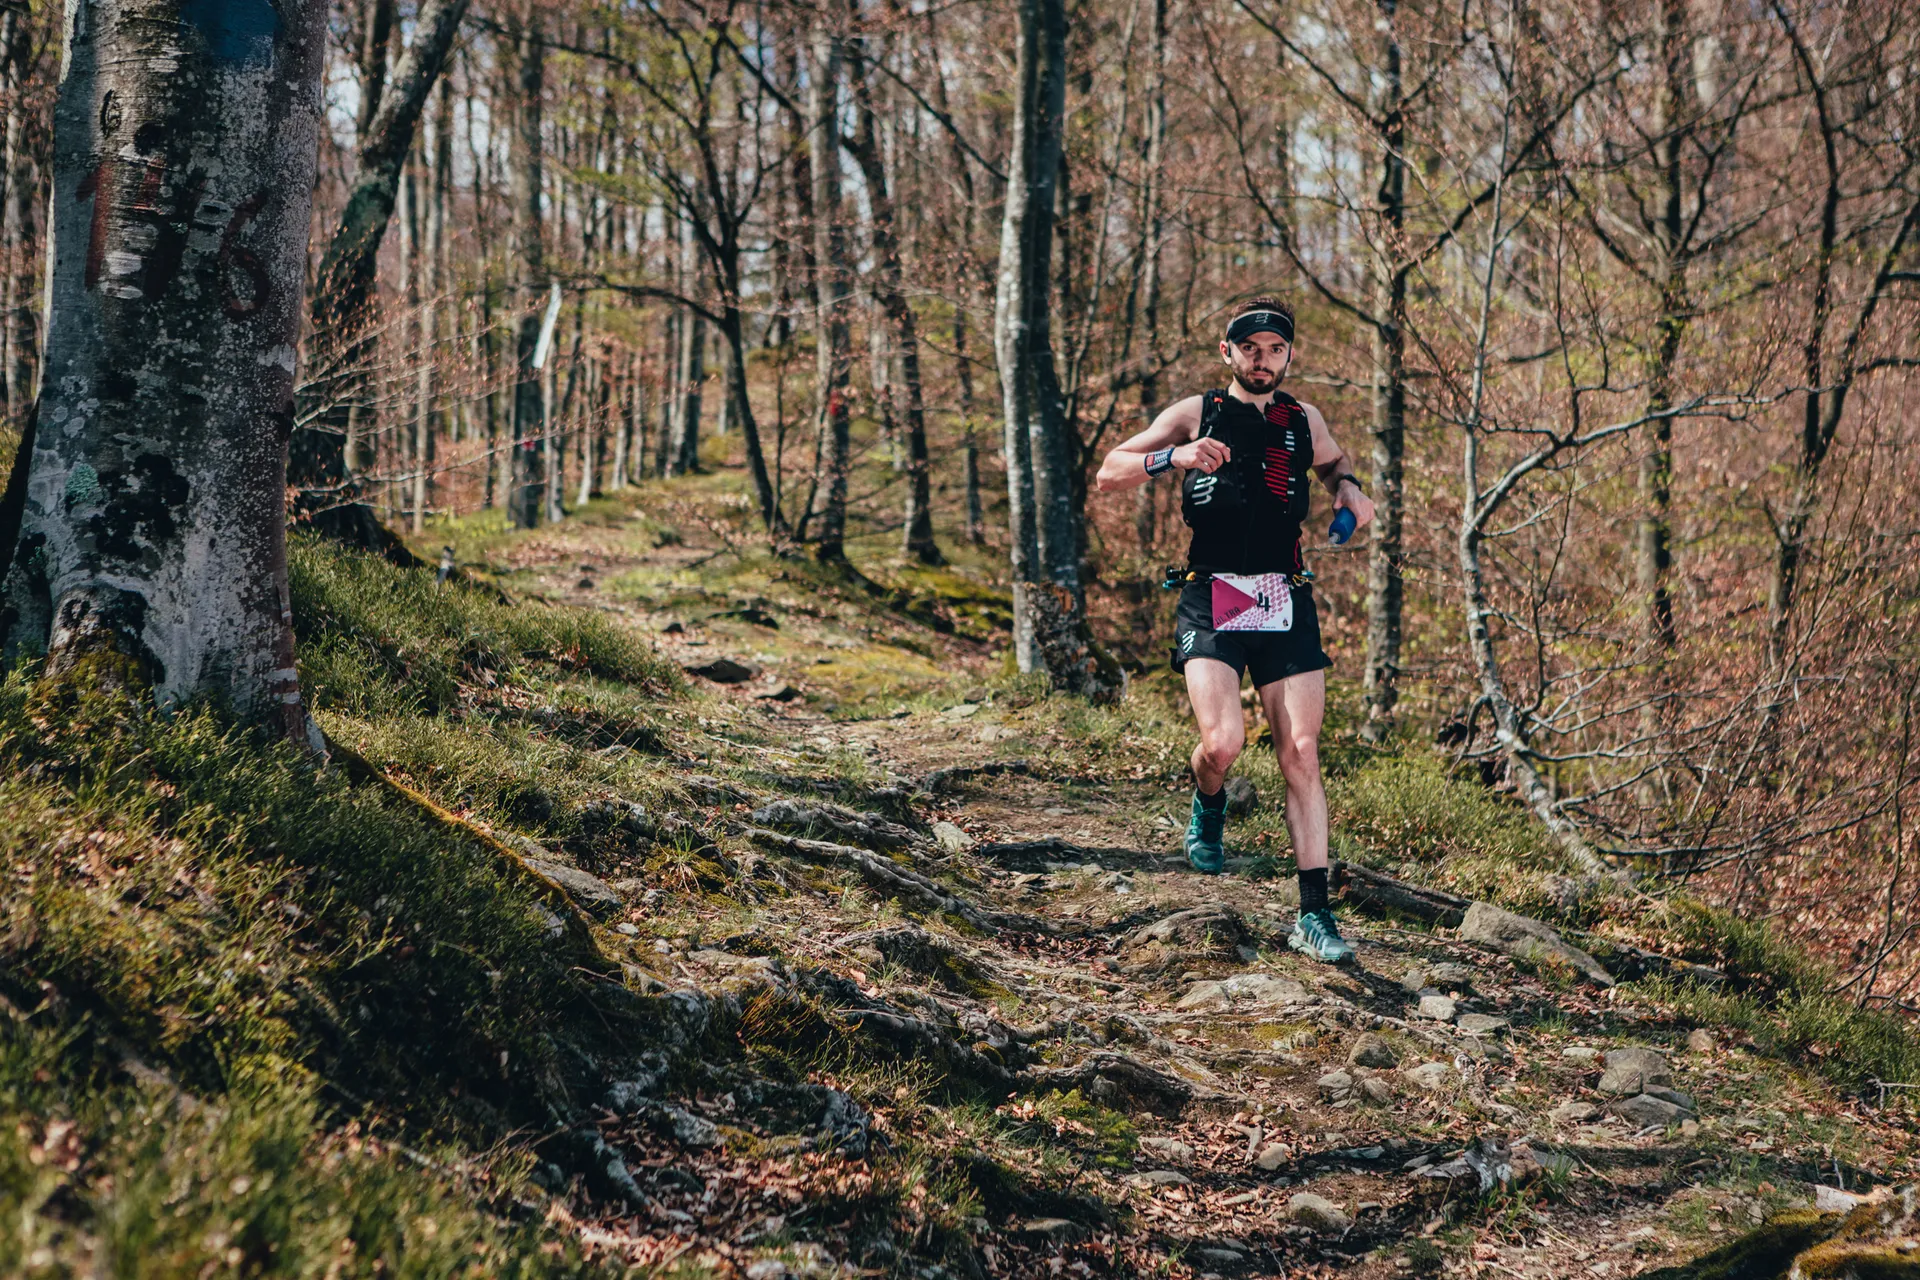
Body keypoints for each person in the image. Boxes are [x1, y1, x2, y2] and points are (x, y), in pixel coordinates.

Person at [1094, 297, 1375, 963]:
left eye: (1275, 349)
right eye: (1249, 347)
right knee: (1222, 743)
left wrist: (1350, 488)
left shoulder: (1303, 419)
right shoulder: (1196, 414)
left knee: (1301, 752)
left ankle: (1315, 915)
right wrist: (1176, 457)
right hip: (1211, 593)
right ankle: (1208, 801)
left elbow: (1334, 464)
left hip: (1285, 596)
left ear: (1288, 356)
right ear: (1228, 353)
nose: (1262, 359)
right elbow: (1109, 472)